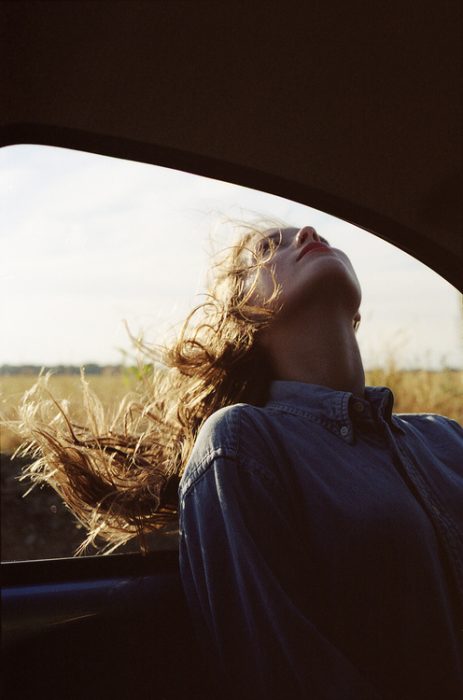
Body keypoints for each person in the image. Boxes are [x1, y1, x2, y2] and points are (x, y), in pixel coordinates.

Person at [15, 222, 463, 698]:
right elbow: (289, 676)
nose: (307, 231)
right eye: (268, 248)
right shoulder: (239, 445)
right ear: (243, 316)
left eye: (301, 233)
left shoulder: (445, 436)